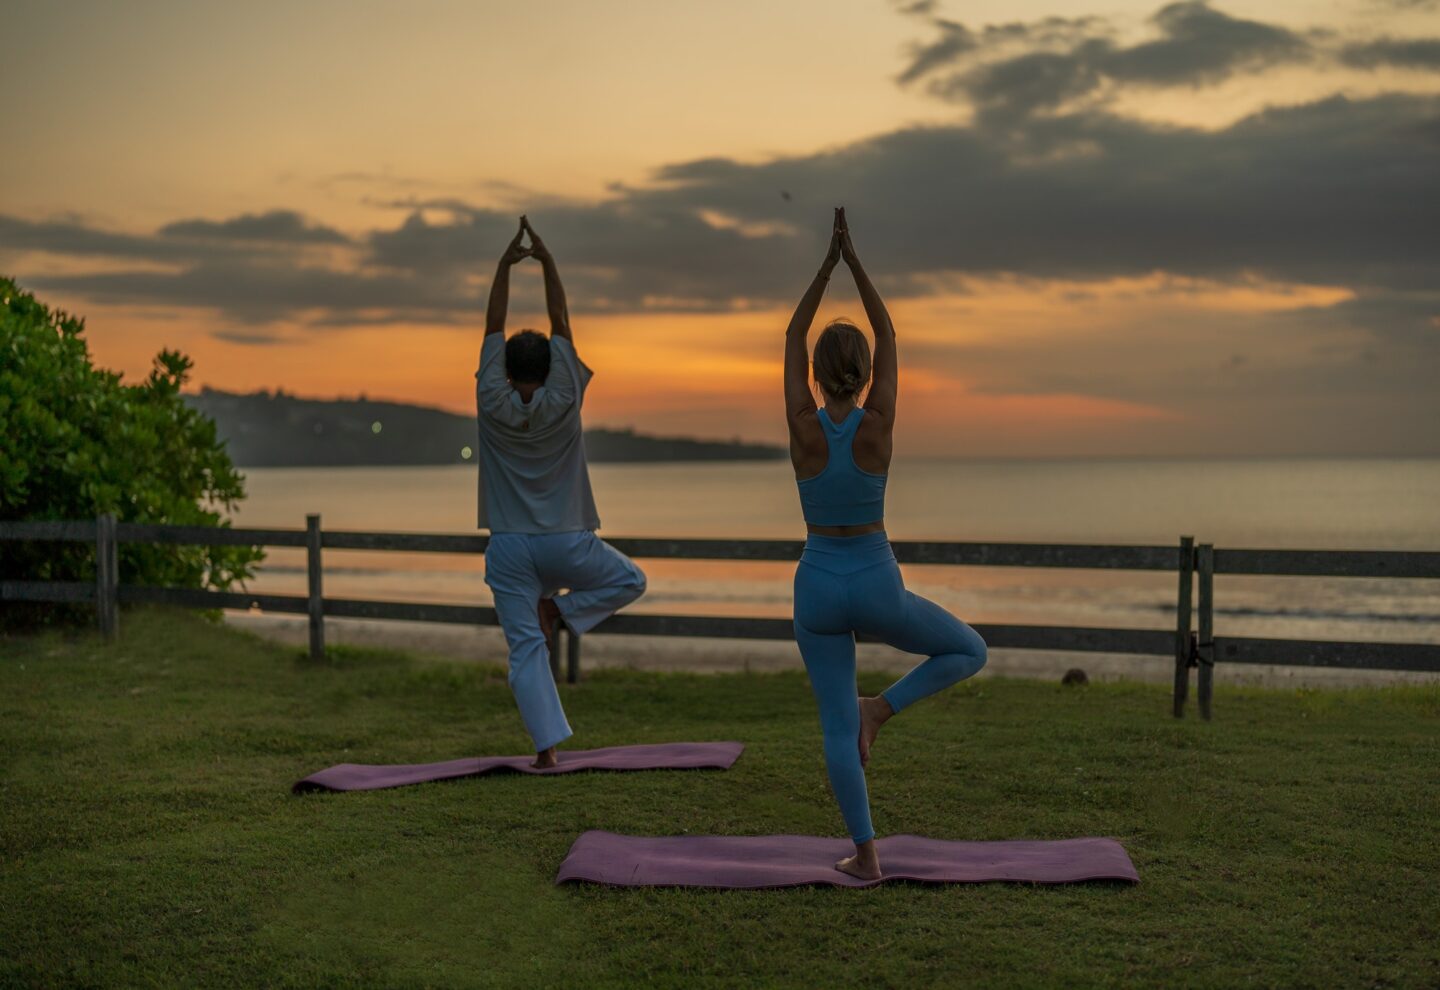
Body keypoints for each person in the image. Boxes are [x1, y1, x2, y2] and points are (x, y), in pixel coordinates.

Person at [783, 207, 988, 879]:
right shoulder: (879, 423)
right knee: (968, 649)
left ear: (814, 373)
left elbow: (792, 331)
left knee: (836, 727)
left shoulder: (801, 425)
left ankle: (867, 857)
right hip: (875, 581)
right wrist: (854, 260)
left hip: (817, 582)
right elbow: (888, 329)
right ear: (867, 373)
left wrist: (825, 265)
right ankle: (885, 706)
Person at [476, 216, 647, 768]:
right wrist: (547, 262)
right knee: (631, 579)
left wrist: (505, 265)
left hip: (508, 547)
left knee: (525, 649)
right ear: (553, 369)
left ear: (503, 369)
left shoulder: (490, 399)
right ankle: (564, 612)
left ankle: (547, 752)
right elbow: (562, 320)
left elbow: (492, 324)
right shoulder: (565, 395)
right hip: (566, 541)